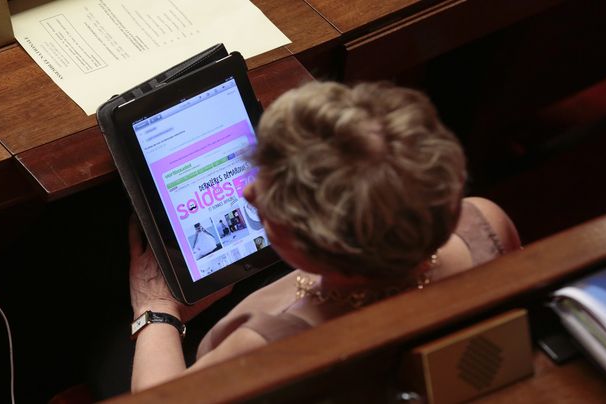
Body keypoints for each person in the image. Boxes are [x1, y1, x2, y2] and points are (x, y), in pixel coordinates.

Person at [127, 81, 520, 391]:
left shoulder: (265, 347)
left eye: (272, 202)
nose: (249, 192)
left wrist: (156, 310)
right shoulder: (485, 222)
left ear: (319, 246)